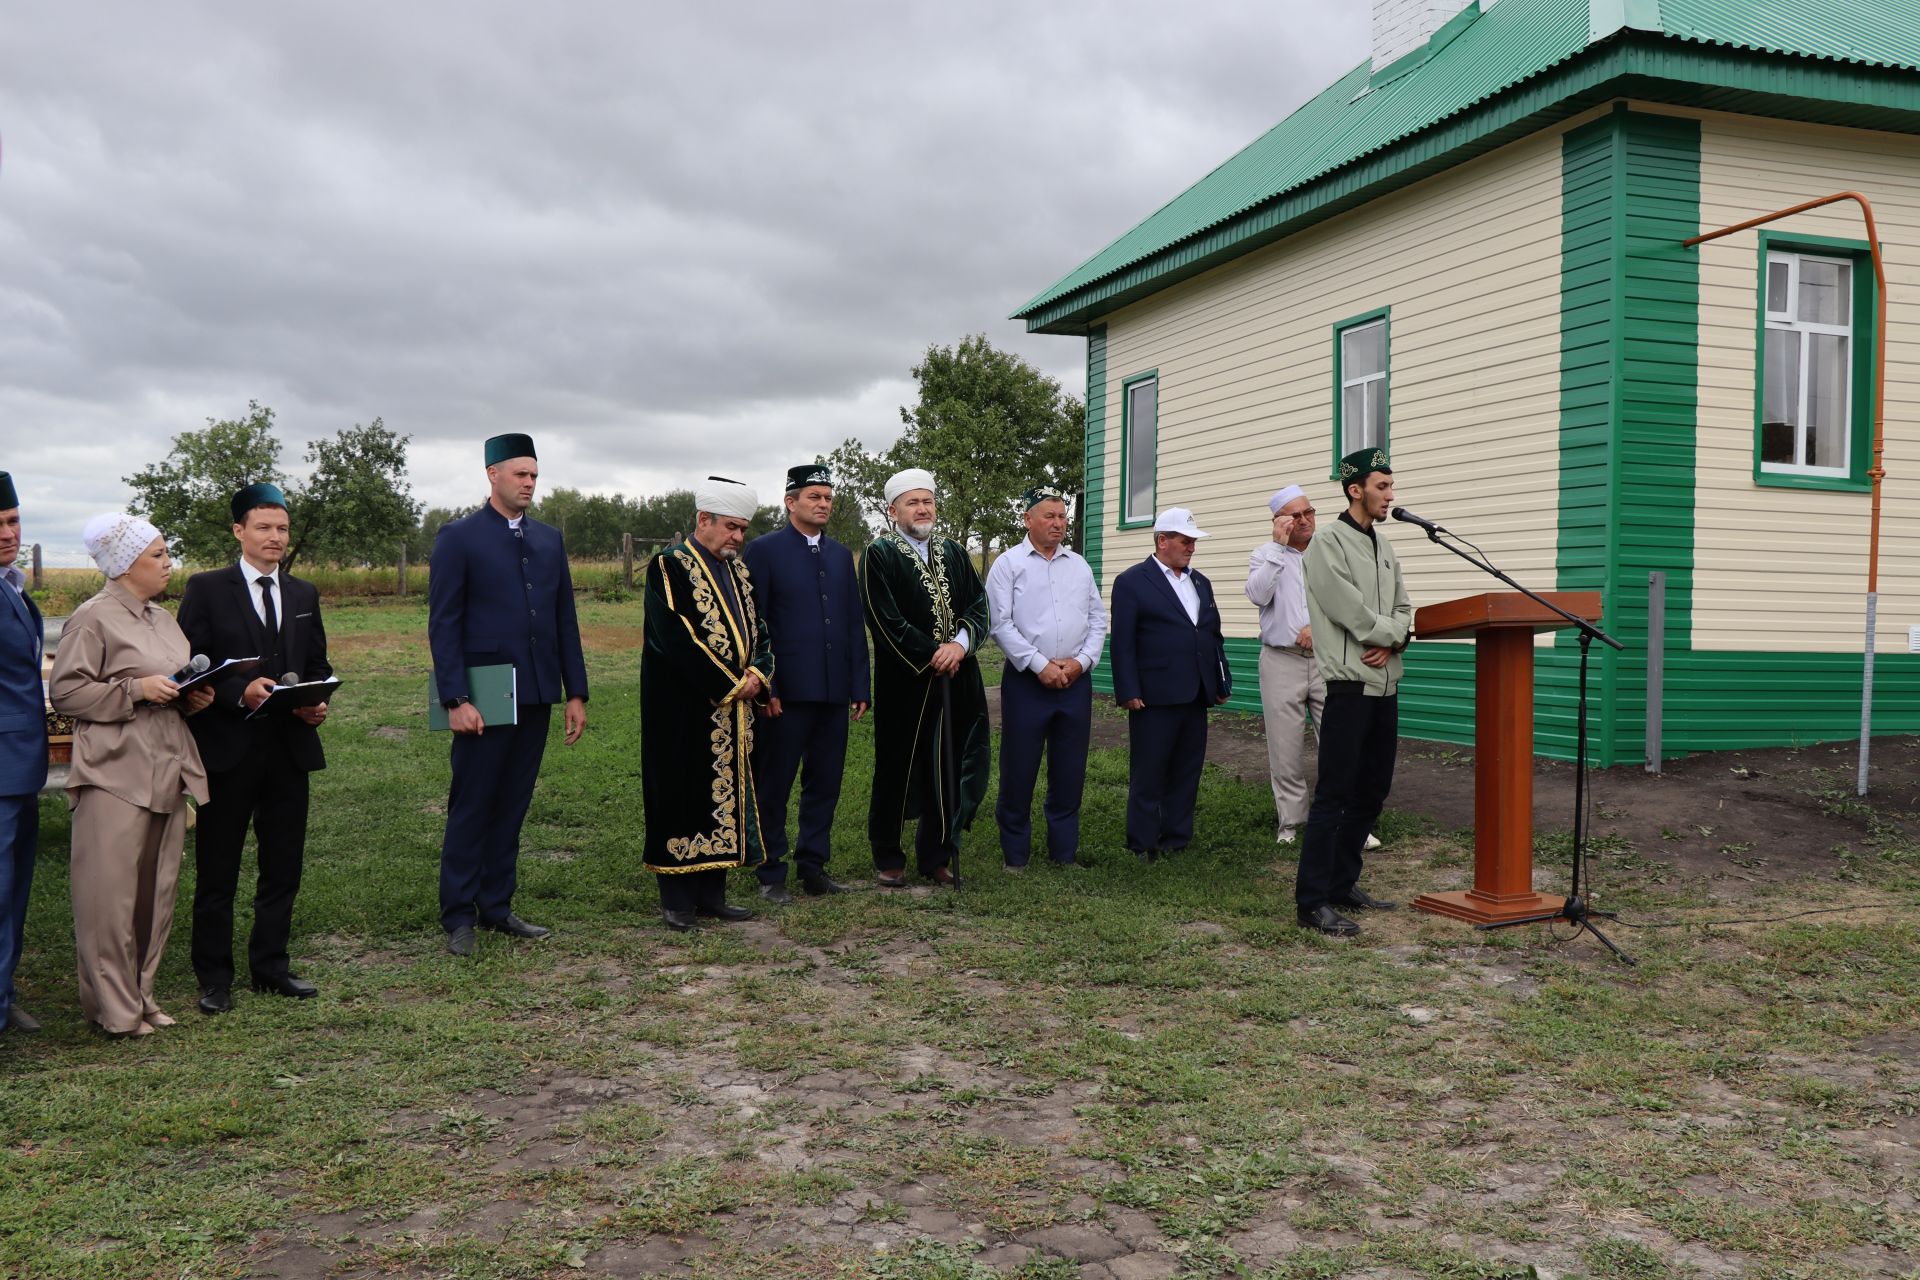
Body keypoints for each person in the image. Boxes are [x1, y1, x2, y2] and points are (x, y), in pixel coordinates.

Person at [50, 514, 215, 1036]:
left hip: (166, 766)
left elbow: (169, 682)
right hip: (114, 773)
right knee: (110, 898)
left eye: (167, 554)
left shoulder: (163, 620)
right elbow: (67, 694)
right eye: (158, 555)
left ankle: (142, 995)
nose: (170, 564)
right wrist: (136, 691)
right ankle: (113, 1010)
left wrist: (194, 697)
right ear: (124, 564)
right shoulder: (92, 618)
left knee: (155, 893)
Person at [429, 434, 588, 957]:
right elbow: (444, 623)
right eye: (520, 474)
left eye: (535, 475)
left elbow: (565, 619)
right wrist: (455, 698)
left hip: (538, 691)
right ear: (492, 475)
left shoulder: (549, 539)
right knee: (473, 803)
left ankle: (496, 906)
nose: (529, 483)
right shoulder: (459, 537)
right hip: (484, 695)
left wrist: (575, 692)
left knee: (513, 804)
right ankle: (458, 915)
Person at [176, 483, 332, 1015]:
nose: (274, 537)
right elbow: (189, 669)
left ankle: (271, 966)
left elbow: (314, 665)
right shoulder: (206, 589)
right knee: (218, 869)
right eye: (263, 527)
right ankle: (214, 977)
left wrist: (314, 701)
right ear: (239, 531)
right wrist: (234, 692)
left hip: (289, 749)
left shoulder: (305, 594)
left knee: (282, 865)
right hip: (227, 749)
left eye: (282, 528)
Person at [641, 476, 771, 930]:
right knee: (681, 795)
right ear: (704, 519)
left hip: (732, 712)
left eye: (743, 529)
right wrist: (733, 683)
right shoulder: (669, 566)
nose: (738, 537)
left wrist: (758, 672)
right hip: (682, 709)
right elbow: (675, 638)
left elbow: (760, 631)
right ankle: (677, 901)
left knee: (725, 798)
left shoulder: (738, 571)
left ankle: (712, 895)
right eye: (731, 527)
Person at [1296, 448, 1412, 937]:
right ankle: (1312, 901)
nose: (1390, 495)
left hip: (1385, 686)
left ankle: (1343, 884)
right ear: (1355, 490)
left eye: (1390, 486)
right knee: (1335, 795)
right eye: (1382, 486)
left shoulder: (1384, 547)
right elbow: (1351, 613)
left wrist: (1395, 638)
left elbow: (1405, 609)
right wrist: (1389, 634)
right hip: (1348, 685)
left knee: (1372, 791)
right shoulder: (1327, 543)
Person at [740, 463, 868, 905]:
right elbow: (754, 623)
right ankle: (770, 869)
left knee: (825, 781)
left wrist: (859, 685)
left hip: (833, 692)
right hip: (785, 694)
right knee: (774, 781)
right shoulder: (764, 550)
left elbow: (853, 623)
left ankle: (813, 865)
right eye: (814, 496)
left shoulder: (839, 554)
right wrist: (766, 685)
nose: (823, 504)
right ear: (790, 502)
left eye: (828, 498)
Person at [860, 468, 990, 888]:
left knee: (948, 766)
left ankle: (935, 855)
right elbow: (886, 620)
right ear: (892, 509)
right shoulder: (879, 553)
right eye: (913, 502)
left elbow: (979, 604)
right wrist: (933, 652)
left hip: (958, 677)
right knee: (897, 766)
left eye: (928, 501)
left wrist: (960, 645)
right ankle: (888, 855)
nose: (922, 508)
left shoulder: (953, 551)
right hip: (907, 682)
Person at [1246, 486, 1385, 854]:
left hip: (1330, 658)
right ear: (1279, 522)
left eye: (1309, 512)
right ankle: (1291, 821)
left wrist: (1317, 629)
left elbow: (1354, 601)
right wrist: (1278, 550)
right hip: (1281, 660)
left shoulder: (1331, 551)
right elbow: (1258, 595)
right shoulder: (1264, 555)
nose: (1305, 520)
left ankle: (1350, 822)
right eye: (1295, 515)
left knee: (1341, 744)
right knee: (1285, 745)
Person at [985, 486, 1105, 869]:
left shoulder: (1079, 565)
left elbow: (1098, 620)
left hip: (1075, 680)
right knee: (1019, 768)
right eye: (1050, 516)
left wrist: (1081, 662)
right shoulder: (1008, 565)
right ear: (1028, 520)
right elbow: (999, 624)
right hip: (1027, 683)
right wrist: (1040, 665)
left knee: (1069, 769)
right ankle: (1015, 855)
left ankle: (1063, 853)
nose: (1058, 524)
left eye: (1062, 517)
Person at [1109, 508, 1231, 861]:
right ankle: (1143, 842)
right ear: (1163, 541)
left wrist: (1220, 679)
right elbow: (1124, 643)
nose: (1191, 547)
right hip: (1154, 695)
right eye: (1185, 541)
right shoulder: (1132, 581)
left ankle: (1176, 837)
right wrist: (1128, 690)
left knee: (1187, 768)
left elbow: (1212, 635)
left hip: (1195, 692)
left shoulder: (1199, 582)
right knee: (1150, 771)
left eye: (1193, 541)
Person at [0, 472, 48, 1035]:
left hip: (21, 764)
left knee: (14, 888)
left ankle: (4, 992)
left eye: (13, 522)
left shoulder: (13, 585)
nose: (8, 534)